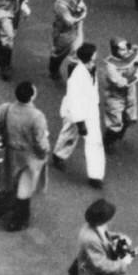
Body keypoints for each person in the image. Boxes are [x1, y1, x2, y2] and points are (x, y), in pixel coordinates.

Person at [0, 78, 50, 231]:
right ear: (32, 96)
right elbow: (40, 141)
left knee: (11, 179)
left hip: (11, 151)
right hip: (28, 155)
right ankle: (18, 220)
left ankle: (8, 207)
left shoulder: (6, 108)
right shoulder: (36, 116)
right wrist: (44, 153)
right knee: (24, 188)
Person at [53, 42, 106, 185]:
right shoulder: (77, 76)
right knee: (69, 134)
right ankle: (58, 155)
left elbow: (93, 88)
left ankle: (95, 175)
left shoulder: (92, 68)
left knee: (95, 141)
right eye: (95, 54)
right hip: (75, 111)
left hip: (90, 109)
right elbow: (73, 100)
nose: (97, 55)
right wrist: (80, 123)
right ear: (89, 57)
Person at [100, 38, 138, 146]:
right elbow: (121, 83)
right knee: (115, 123)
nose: (126, 52)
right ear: (114, 51)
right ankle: (108, 142)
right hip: (115, 95)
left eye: (126, 48)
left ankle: (119, 134)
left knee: (130, 118)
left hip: (130, 93)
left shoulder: (130, 55)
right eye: (122, 50)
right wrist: (137, 76)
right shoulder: (111, 66)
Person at [50, 0, 94, 79]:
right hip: (64, 33)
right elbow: (69, 21)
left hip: (76, 30)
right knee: (59, 54)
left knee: (77, 55)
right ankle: (53, 70)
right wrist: (80, 13)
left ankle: (73, 78)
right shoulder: (61, 4)